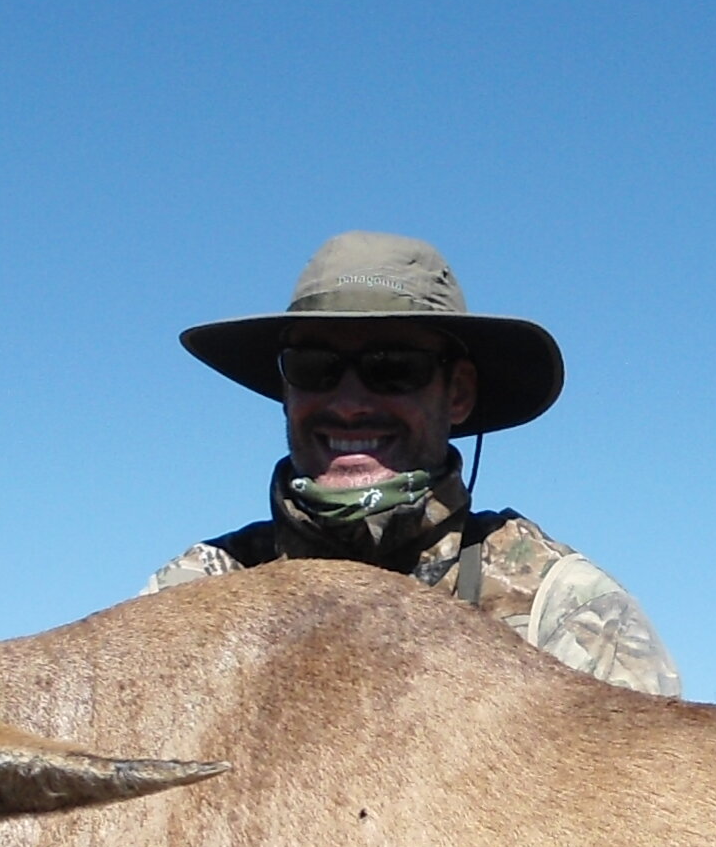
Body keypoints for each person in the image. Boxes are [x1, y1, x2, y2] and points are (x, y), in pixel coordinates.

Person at [144, 231, 680, 696]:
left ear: (459, 393)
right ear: (286, 388)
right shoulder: (190, 598)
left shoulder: (566, 612)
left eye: (394, 368)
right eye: (315, 366)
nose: (350, 402)